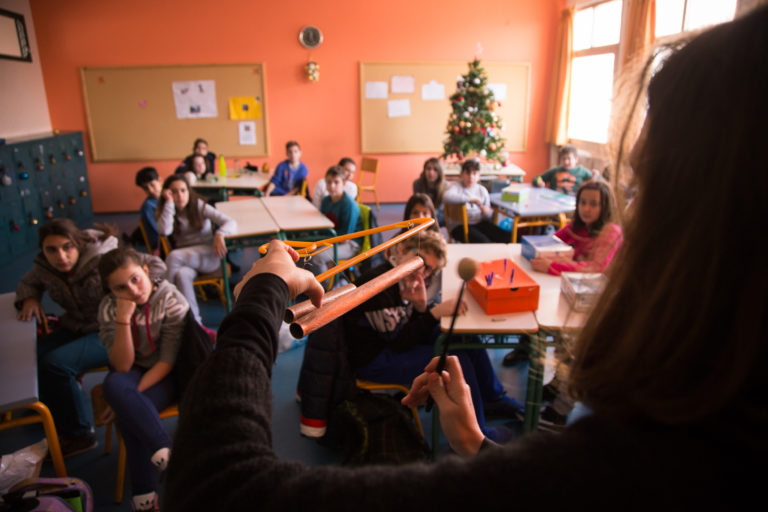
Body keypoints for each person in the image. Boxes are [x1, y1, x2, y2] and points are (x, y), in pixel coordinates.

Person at [165, 8, 768, 509]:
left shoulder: (646, 460)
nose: (629, 220)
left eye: (643, 190)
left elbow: (217, 489)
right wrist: (481, 449)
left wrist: (258, 300)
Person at [345, 230, 522, 442]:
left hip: (393, 343)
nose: (422, 274)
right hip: (375, 360)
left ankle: (493, 398)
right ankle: (477, 434)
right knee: (456, 362)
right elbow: (399, 343)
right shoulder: (379, 285)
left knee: (464, 339)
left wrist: (420, 308)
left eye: (429, 271)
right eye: (421, 263)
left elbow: (404, 329)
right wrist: (431, 313)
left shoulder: (403, 276)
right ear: (401, 251)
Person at [14, 219, 165, 457]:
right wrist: (30, 298)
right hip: (77, 324)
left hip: (111, 329)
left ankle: (79, 434)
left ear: (79, 244)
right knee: (33, 355)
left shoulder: (102, 258)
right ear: (43, 251)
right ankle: (55, 403)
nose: (60, 256)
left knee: (55, 364)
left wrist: (137, 298)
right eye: (51, 250)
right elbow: (29, 282)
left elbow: (154, 265)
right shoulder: (45, 267)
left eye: (67, 247)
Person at [97, 247, 189, 512]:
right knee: (113, 384)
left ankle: (144, 497)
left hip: (166, 375)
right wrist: (123, 319)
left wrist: (122, 402)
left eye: (135, 279)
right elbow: (122, 365)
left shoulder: (171, 299)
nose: (133, 291)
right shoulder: (108, 309)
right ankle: (167, 454)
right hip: (132, 372)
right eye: (120, 288)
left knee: (128, 414)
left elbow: (166, 362)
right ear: (111, 291)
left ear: (146, 271)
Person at [155, 175, 236, 337]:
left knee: (173, 257)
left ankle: (163, 305)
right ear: (167, 194)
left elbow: (230, 222)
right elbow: (164, 231)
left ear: (189, 192)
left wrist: (219, 234)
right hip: (186, 262)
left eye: (183, 191)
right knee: (182, 275)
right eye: (174, 192)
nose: (180, 196)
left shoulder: (198, 205)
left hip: (208, 256)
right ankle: (196, 326)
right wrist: (169, 204)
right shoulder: (167, 210)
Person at [530, 180, 623, 276]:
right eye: (582, 202)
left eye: (594, 204)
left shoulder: (611, 231)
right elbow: (552, 242)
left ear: (605, 207)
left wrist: (552, 266)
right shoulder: (579, 225)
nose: (586, 209)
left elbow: (597, 268)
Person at [442, 159, 508, 243]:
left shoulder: (482, 190)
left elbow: (488, 215)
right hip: (460, 226)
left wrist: (487, 212)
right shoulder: (456, 187)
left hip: (479, 223)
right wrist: (469, 199)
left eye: (474, 174)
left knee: (505, 237)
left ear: (478, 176)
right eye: (467, 173)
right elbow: (446, 196)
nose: (471, 177)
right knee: (484, 242)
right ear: (461, 174)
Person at [127, 166, 161, 251]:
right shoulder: (148, 206)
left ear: (160, 180)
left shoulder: (167, 197)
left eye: (152, 185)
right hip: (160, 243)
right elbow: (156, 231)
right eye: (145, 188)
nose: (150, 190)